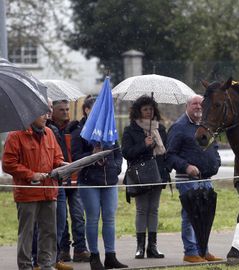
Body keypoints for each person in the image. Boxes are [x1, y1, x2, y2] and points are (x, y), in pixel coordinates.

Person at [2, 111, 64, 270]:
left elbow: (56, 157)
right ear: (31, 114)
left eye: (47, 114)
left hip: (49, 192)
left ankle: (47, 265)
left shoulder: (49, 133)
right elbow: (8, 164)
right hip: (27, 194)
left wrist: (63, 165)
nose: (47, 117)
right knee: (27, 234)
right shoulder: (16, 135)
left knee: (49, 232)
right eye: (42, 114)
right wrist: (31, 175)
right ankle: (25, 266)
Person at [71, 97, 127, 269]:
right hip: (89, 182)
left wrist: (116, 168)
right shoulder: (79, 131)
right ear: (87, 110)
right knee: (93, 219)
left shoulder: (109, 129)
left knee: (109, 219)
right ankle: (94, 257)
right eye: (96, 108)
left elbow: (118, 153)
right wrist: (91, 155)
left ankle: (111, 255)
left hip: (109, 181)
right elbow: (75, 158)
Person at [166, 94, 222, 263]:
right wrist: (186, 167)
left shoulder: (207, 125)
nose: (198, 107)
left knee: (205, 216)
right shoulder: (179, 127)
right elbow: (170, 156)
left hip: (207, 179)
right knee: (191, 216)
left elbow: (214, 147)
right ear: (187, 106)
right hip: (187, 180)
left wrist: (216, 162)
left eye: (201, 104)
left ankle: (203, 251)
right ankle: (190, 252)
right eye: (194, 104)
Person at [122, 95, 170, 259]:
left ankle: (153, 246)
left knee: (154, 210)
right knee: (142, 210)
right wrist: (144, 145)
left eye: (151, 108)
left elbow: (166, 153)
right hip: (140, 175)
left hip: (158, 174)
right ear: (138, 111)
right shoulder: (131, 130)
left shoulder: (160, 129)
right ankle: (140, 247)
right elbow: (126, 153)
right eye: (145, 109)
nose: (149, 112)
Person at [50, 100, 90, 264]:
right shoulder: (48, 129)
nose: (65, 112)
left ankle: (80, 249)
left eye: (67, 109)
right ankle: (63, 250)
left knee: (78, 215)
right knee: (61, 218)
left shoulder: (74, 128)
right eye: (61, 110)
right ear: (52, 111)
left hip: (74, 177)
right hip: (58, 178)